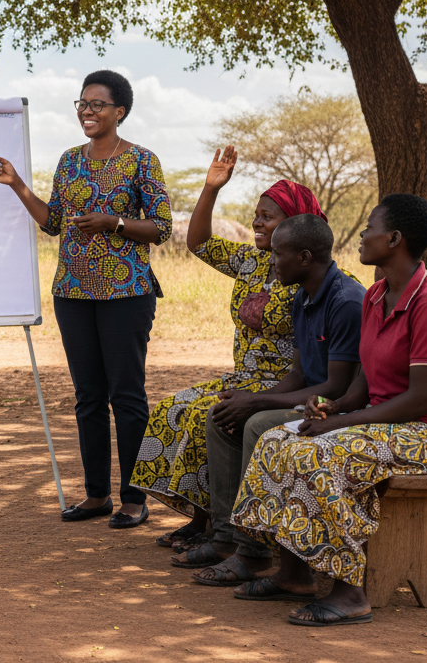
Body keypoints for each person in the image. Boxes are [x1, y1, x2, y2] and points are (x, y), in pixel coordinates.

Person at [232, 194, 427, 625]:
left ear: (394, 239)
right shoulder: (376, 295)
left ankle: (349, 590)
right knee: (277, 439)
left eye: (369, 227)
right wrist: (335, 407)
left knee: (322, 454)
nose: (362, 235)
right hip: (388, 422)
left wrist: (342, 424)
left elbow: (421, 399)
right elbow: (366, 378)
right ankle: (293, 573)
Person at [0, 70, 171, 528]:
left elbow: (161, 228)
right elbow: (53, 222)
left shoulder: (142, 161)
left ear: (119, 112)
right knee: (88, 397)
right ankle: (96, 495)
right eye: (82, 104)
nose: (87, 112)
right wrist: (16, 184)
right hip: (72, 291)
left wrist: (114, 223)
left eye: (97, 105)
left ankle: (134, 498)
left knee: (126, 396)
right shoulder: (69, 161)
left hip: (126, 292)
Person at [129, 146, 328, 552]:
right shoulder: (251, 261)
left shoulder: (310, 273)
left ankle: (223, 530)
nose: (257, 222)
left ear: (296, 226)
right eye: (257, 215)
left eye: (267, 217)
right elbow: (198, 242)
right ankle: (203, 518)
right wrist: (211, 188)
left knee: (208, 414)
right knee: (172, 409)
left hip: (282, 384)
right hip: (243, 377)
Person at [188, 213, 364, 585]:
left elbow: (336, 387)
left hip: (334, 407)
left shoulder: (345, 301)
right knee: (223, 417)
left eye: (278, 254)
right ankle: (226, 535)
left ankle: (253, 552)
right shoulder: (303, 297)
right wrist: (250, 397)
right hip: (307, 399)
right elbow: (299, 374)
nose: (271, 262)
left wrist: (259, 404)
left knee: (257, 424)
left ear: (304, 257)